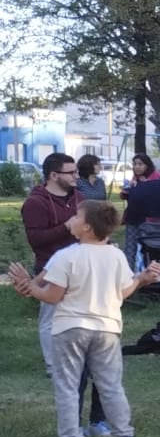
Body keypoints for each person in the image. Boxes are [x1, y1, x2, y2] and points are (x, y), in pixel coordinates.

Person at [9, 200, 160, 437]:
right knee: (111, 384)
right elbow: (123, 292)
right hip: (108, 329)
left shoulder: (67, 256)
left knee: (67, 384)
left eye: (77, 216)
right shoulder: (116, 255)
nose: (72, 220)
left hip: (71, 328)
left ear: (87, 227)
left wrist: (30, 287)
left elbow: (53, 296)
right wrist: (141, 279)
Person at [21, 153, 84, 381]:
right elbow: (36, 240)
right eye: (71, 172)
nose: (76, 176)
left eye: (76, 171)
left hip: (80, 267)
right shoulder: (36, 203)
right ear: (54, 175)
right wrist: (66, 227)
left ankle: (77, 361)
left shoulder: (79, 198)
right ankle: (53, 366)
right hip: (50, 269)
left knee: (79, 317)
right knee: (51, 319)